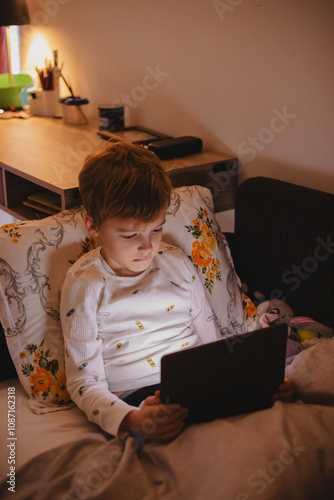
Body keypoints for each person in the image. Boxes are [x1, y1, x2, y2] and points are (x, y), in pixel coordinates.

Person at [60, 141, 293, 442]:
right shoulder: (85, 284)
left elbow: (212, 341)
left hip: (199, 383)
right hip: (136, 400)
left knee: (269, 427)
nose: (147, 246)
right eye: (130, 235)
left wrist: (255, 381)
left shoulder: (177, 262)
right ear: (92, 225)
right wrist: (131, 419)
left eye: (156, 228)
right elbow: (84, 382)